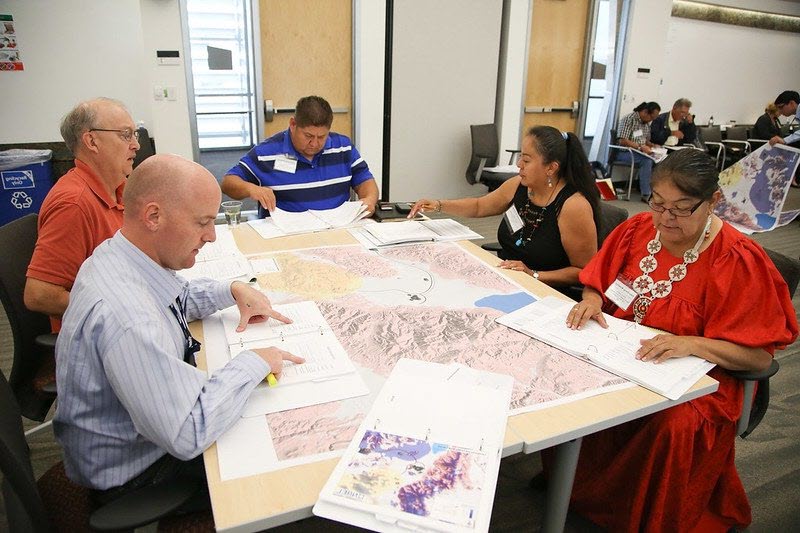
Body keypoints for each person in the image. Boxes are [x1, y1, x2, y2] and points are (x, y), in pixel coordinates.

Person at [561, 149, 797, 532]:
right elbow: (596, 285)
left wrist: (691, 343)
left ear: (713, 202)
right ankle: (578, 493)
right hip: (626, 354)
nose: (665, 219)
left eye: (682, 208)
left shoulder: (735, 259)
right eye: (658, 203)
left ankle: (645, 517)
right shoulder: (637, 230)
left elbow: (757, 360)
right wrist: (591, 302)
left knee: (671, 424)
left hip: (701, 379)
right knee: (569, 379)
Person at [53, 154, 304, 511]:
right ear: (153, 216)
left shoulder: (120, 254)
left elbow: (174, 297)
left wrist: (230, 290)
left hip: (136, 436)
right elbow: (188, 432)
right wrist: (254, 362)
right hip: (134, 477)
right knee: (284, 478)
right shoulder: (128, 317)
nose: (212, 236)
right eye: (202, 222)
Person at [408, 126, 599, 291]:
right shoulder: (520, 185)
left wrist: (533, 274)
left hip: (546, 291)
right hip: (508, 279)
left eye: (526, 160)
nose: (518, 165)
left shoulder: (573, 206)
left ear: (551, 168)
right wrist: (439, 205)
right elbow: (479, 206)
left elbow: (584, 270)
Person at [24, 97, 139, 331]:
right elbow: (39, 295)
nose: (136, 144)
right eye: (126, 135)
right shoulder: (73, 204)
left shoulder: (118, 188)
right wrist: (120, 310)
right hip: (100, 335)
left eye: (135, 134)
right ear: (92, 141)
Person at [221, 95, 379, 218]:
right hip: (286, 235)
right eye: (308, 135)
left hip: (336, 230)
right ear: (293, 124)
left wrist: (370, 200)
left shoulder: (343, 147)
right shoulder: (266, 152)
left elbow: (365, 180)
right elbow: (228, 183)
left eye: (322, 137)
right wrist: (251, 189)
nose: (314, 143)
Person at [615, 101, 661, 200]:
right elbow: (622, 140)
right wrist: (640, 147)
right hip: (624, 152)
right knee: (647, 161)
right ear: (645, 112)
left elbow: (645, 140)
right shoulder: (629, 119)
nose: (651, 121)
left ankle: (656, 191)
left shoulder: (646, 124)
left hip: (640, 152)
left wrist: (653, 146)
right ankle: (646, 194)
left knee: (659, 160)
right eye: (651, 117)